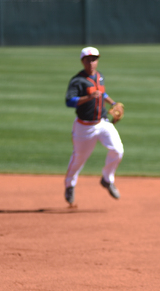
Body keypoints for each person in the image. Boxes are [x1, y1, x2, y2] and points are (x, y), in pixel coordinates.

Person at [64, 46, 125, 206]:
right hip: (84, 127)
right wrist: (87, 97)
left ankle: (107, 179)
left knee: (118, 150)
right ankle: (69, 185)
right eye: (88, 59)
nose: (91, 62)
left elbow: (102, 93)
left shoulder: (99, 76)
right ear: (82, 61)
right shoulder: (77, 80)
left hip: (102, 122)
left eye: (94, 59)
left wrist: (113, 103)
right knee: (79, 158)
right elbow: (69, 101)